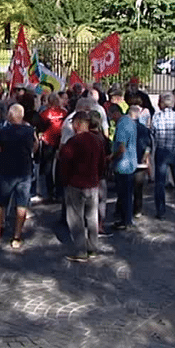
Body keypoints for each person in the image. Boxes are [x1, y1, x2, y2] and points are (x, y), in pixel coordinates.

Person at [0, 104, 38, 248]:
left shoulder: (3, 131)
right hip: (24, 171)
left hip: (6, 171)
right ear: (22, 116)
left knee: (0, 203)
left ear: (10, 116)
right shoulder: (29, 130)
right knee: (21, 204)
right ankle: (17, 236)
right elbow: (35, 146)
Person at [60, 111, 105, 262]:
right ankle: (93, 247)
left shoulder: (74, 142)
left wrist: (64, 181)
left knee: (75, 218)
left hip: (76, 183)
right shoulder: (97, 140)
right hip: (92, 184)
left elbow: (64, 163)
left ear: (78, 124)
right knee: (92, 216)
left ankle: (80, 250)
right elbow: (102, 162)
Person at [152, 92, 175, 223]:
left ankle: (161, 211)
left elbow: (153, 134)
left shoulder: (156, 117)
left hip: (162, 151)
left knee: (160, 183)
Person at [110, 104, 137, 230]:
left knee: (124, 194)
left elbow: (121, 147)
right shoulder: (130, 121)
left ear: (115, 113)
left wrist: (111, 157)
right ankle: (125, 218)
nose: (112, 120)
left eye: (111, 116)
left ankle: (126, 220)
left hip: (123, 164)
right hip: (131, 162)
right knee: (127, 193)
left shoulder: (121, 125)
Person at [39, 93, 68, 202]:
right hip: (61, 141)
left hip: (48, 142)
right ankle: (59, 192)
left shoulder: (45, 113)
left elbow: (40, 127)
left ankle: (49, 192)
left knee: (48, 167)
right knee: (60, 167)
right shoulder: (64, 112)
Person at [88, 110, 111, 234]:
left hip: (87, 173)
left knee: (89, 200)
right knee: (101, 199)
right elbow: (107, 154)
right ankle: (100, 224)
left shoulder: (84, 137)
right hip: (101, 173)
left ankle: (89, 224)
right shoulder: (103, 138)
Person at [129, 106, 152, 218]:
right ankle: (137, 210)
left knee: (126, 188)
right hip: (140, 162)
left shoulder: (126, 127)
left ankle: (125, 210)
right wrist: (146, 157)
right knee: (138, 189)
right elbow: (148, 146)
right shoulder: (144, 128)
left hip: (128, 161)